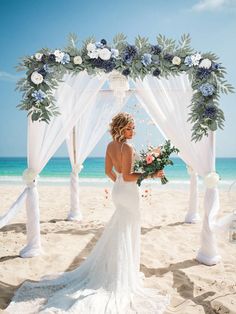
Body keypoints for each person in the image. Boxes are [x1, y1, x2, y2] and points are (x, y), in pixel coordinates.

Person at [6, 112, 169, 313]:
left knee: (121, 229)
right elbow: (128, 176)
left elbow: (109, 172)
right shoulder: (127, 147)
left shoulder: (110, 146)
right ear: (120, 129)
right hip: (128, 192)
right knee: (127, 229)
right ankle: (124, 273)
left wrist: (119, 182)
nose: (132, 131)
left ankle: (121, 270)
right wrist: (151, 173)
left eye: (133, 128)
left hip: (119, 192)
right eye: (129, 128)